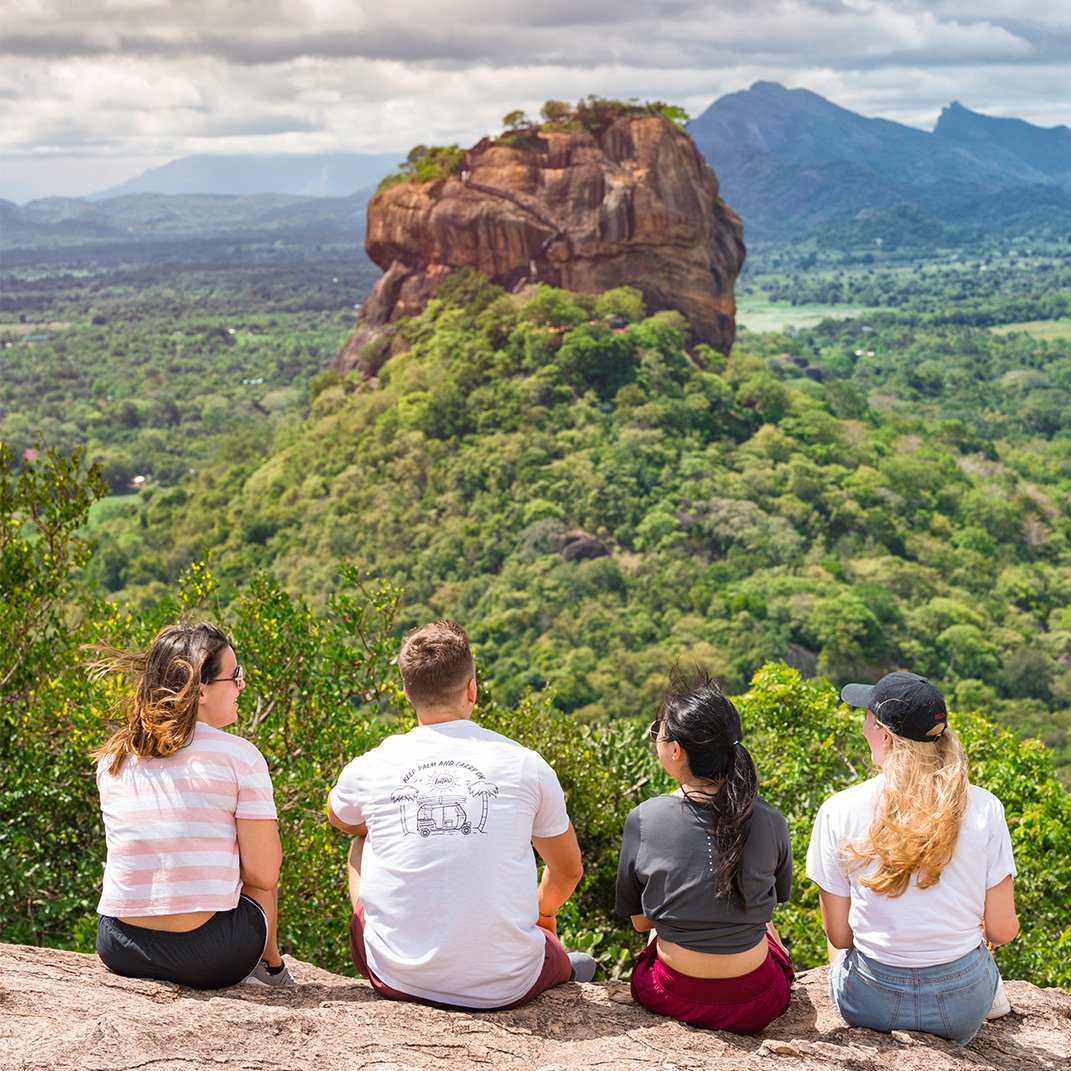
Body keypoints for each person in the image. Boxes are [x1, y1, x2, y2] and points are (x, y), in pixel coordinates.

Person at [326, 619, 596, 1010]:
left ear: (407, 692)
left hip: (397, 978)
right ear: (472, 689)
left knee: (361, 840)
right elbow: (568, 870)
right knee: (552, 952)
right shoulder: (526, 764)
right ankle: (564, 964)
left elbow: (339, 817)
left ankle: (395, 944)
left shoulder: (372, 765)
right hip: (507, 987)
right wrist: (543, 914)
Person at [806, 671, 1018, 1045]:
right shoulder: (985, 807)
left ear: (885, 737)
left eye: (867, 719)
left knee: (843, 953)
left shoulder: (839, 810)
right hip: (961, 1007)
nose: (863, 727)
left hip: (870, 1004)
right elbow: (1003, 930)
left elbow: (840, 936)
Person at [88, 622, 293, 989]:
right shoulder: (240, 757)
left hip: (119, 945)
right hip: (210, 956)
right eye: (235, 676)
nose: (241, 686)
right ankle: (271, 968)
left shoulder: (114, 757)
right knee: (263, 875)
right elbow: (264, 876)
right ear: (200, 690)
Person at [615, 670, 794, 1034]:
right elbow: (771, 903)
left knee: (661, 924)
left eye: (658, 732)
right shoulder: (771, 819)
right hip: (758, 1001)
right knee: (761, 922)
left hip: (672, 993)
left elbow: (641, 922)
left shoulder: (645, 818)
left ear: (676, 750)